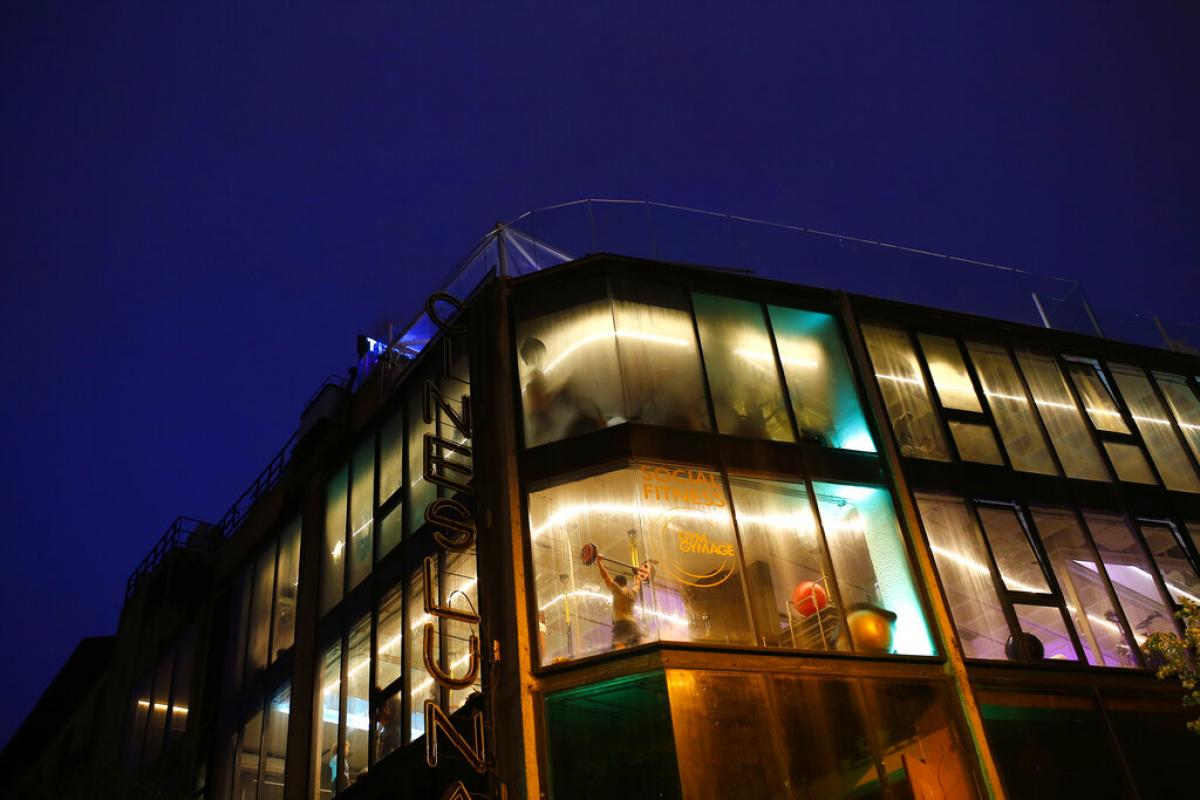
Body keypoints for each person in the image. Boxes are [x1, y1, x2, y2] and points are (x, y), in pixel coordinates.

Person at [596, 556, 644, 649]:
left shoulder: (618, 591)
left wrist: (599, 562)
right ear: (625, 583)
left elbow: (605, 577)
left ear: (616, 583)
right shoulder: (632, 593)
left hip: (621, 627)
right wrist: (636, 573)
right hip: (634, 627)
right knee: (638, 654)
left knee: (619, 654)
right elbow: (637, 583)